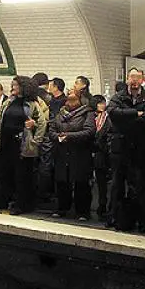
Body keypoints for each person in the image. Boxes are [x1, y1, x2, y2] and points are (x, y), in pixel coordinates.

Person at [107, 68, 145, 233]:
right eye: (131, 77)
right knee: (117, 185)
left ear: (142, 80)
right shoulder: (118, 97)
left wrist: (125, 119)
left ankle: (142, 221)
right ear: (127, 79)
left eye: (137, 77)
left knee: (140, 187)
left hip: (140, 150)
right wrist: (136, 112)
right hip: (119, 149)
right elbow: (113, 113)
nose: (134, 80)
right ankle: (115, 218)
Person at [0, 76, 48, 214]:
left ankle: (21, 204)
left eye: (15, 85)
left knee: (22, 176)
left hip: (22, 144)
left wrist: (35, 140)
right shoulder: (8, 101)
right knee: (5, 173)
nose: (12, 87)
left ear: (23, 87)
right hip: (6, 142)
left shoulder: (33, 103)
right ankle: (3, 201)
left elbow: (42, 123)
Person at [50, 88, 96, 220]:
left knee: (81, 183)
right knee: (62, 182)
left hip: (80, 153)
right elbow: (52, 130)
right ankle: (62, 208)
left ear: (80, 101)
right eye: (68, 100)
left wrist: (68, 136)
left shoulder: (87, 114)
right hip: (62, 153)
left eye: (73, 100)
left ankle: (82, 212)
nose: (70, 103)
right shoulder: (60, 114)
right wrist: (58, 137)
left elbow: (89, 131)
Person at [91, 94, 112, 219]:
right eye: (99, 103)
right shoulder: (90, 117)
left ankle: (103, 204)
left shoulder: (108, 118)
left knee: (102, 182)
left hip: (102, 153)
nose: (102, 105)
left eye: (103, 103)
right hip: (92, 152)